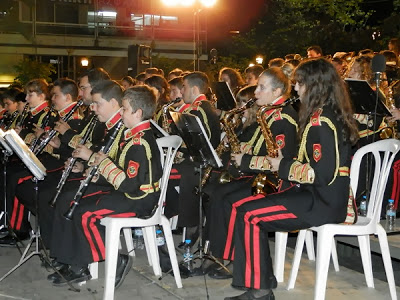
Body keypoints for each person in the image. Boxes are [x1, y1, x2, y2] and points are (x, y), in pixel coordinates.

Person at [223, 58, 359, 300]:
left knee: (249, 215)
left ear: (314, 85)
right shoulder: (323, 115)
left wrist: (283, 166)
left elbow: (321, 174)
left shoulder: (322, 121)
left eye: (299, 83)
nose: (295, 88)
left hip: (323, 202)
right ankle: (259, 283)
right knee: (244, 207)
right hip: (315, 195)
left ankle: (261, 290)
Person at [47, 82, 162, 288]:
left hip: (139, 200)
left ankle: (113, 260)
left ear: (137, 113)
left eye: (124, 109)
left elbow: (129, 185)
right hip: (127, 194)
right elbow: (119, 171)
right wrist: (93, 172)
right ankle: (72, 260)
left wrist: (99, 162)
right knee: (72, 200)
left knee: (85, 213)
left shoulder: (139, 142)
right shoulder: (131, 135)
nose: (121, 113)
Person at [204, 68, 299, 278]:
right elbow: (259, 147)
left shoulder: (283, 118)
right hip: (259, 175)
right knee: (219, 193)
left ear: (277, 91)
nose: (256, 92)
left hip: (277, 182)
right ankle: (218, 254)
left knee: (233, 201)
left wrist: (245, 160)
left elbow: (279, 161)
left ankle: (233, 259)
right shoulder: (268, 112)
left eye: (261, 87)